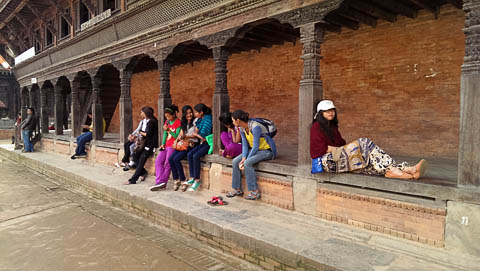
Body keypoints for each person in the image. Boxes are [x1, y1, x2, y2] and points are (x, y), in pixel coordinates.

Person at [310, 100, 427, 179]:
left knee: (370, 161)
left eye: (332, 110)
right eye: (327, 111)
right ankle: (397, 170)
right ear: (321, 113)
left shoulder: (332, 126)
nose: (331, 112)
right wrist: (344, 149)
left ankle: (408, 170)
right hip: (327, 162)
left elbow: (342, 144)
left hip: (338, 158)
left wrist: (347, 149)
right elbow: (320, 148)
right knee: (364, 143)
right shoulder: (316, 127)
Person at [226, 110, 277, 200]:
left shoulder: (255, 127)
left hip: (266, 151)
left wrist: (246, 159)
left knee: (247, 163)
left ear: (238, 120)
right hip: (254, 150)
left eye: (233, 120)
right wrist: (244, 157)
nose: (233, 122)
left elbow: (256, 146)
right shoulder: (241, 128)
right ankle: (237, 189)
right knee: (235, 161)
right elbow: (245, 145)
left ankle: (254, 192)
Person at [150, 105, 181, 191]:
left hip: (173, 145)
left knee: (168, 163)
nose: (167, 118)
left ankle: (163, 182)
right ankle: (159, 181)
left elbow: (176, 136)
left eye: (168, 116)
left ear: (174, 114)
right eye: (166, 116)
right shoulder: (167, 122)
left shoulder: (178, 122)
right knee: (158, 161)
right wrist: (162, 144)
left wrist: (169, 130)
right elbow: (165, 134)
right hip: (166, 145)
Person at [125, 106, 158, 185]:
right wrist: (135, 136)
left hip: (150, 145)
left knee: (141, 160)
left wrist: (140, 132)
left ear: (146, 113)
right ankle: (143, 172)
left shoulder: (152, 122)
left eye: (142, 112)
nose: (141, 114)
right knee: (135, 155)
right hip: (144, 143)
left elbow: (147, 134)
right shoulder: (145, 121)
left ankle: (133, 179)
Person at [170, 105, 199, 191]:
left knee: (176, 159)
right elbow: (181, 134)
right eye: (187, 113)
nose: (189, 115)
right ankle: (176, 179)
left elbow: (195, 136)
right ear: (184, 114)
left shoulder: (195, 122)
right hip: (183, 144)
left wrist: (185, 136)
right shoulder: (184, 123)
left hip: (191, 145)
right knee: (170, 159)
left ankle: (183, 180)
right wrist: (177, 140)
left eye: (190, 112)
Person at [184, 103, 212, 192]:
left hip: (209, 143)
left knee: (196, 156)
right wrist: (196, 133)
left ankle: (197, 180)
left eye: (196, 112)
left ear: (201, 112)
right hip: (202, 143)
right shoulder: (200, 120)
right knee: (189, 154)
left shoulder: (208, 120)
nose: (194, 114)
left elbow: (203, 137)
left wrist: (196, 134)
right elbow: (197, 130)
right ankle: (192, 177)